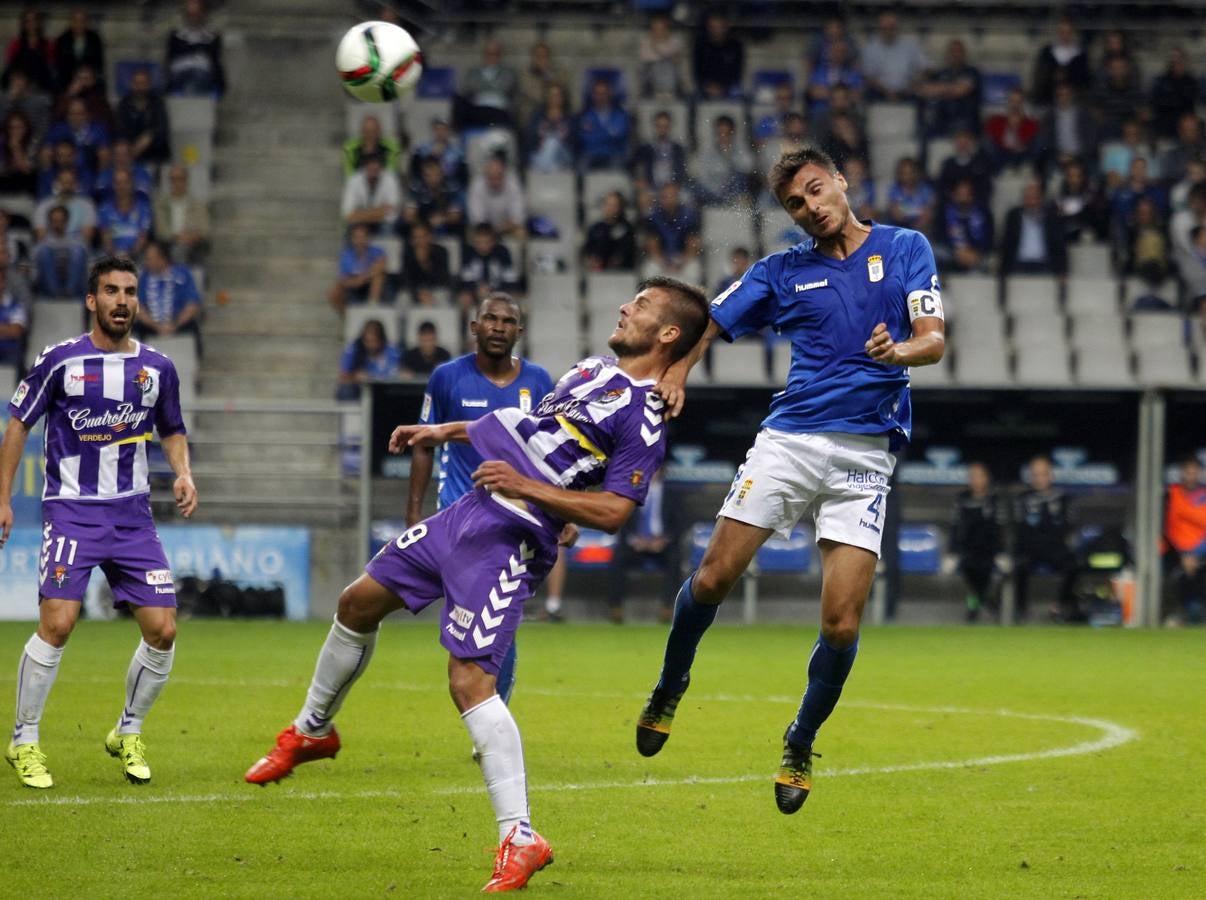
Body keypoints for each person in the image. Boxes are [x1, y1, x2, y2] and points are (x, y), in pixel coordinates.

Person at [243, 276, 708, 894]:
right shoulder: (592, 370)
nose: (625, 307)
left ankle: (520, 836)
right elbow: (524, 424)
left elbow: (617, 511)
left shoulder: (644, 417)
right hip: (469, 512)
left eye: (642, 306)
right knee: (357, 602)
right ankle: (312, 730)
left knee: (470, 681)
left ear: (668, 334)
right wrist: (443, 433)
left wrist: (534, 491)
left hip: (511, 537)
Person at [633, 146, 945, 816]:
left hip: (866, 459)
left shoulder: (906, 246)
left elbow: (934, 338)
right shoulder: (781, 272)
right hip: (791, 444)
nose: (810, 208)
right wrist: (679, 370)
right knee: (713, 577)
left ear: (841, 180)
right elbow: (711, 319)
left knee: (840, 622)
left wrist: (902, 349)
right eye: (796, 205)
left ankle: (800, 739)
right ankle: (669, 683)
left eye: (815, 191)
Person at [0, 255, 197, 790]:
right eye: (111, 291)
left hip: (133, 516)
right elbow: (18, 422)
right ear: (92, 301)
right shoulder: (61, 361)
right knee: (58, 623)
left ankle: (127, 731)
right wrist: (4, 498)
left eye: (130, 292)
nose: (122, 301)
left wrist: (182, 473)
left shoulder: (158, 368)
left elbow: (172, 428)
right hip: (72, 512)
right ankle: (24, 741)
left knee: (163, 630)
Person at [406, 293, 555, 702]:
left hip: (516, 520)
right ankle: (489, 711)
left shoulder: (540, 382)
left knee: (495, 618)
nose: (498, 327)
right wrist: (414, 514)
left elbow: (552, 451)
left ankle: (491, 712)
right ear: (475, 326)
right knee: (475, 620)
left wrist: (566, 514)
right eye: (490, 319)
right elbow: (423, 444)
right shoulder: (446, 377)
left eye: (508, 321)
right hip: (457, 515)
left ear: (519, 332)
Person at [607, 468, 682, 624]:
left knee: (675, 558)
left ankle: (667, 607)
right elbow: (622, 521)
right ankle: (616, 607)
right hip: (637, 545)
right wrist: (634, 539)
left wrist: (663, 540)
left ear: (661, 471)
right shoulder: (632, 492)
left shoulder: (673, 494)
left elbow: (680, 524)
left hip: (661, 546)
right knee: (618, 557)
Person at [1013, 455, 1076, 622]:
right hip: (1030, 550)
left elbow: (1069, 526)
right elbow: (1019, 530)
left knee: (1073, 565)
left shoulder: (1063, 498)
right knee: (1018, 566)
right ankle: (1020, 610)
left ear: (1050, 475)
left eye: (1043, 474)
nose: (1039, 478)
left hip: (1055, 549)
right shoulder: (1023, 499)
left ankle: (1059, 606)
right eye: (1035, 474)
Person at [950, 461, 1007, 623]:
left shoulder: (995, 500)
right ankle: (985, 600)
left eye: (979, 476)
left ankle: (976, 602)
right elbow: (955, 527)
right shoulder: (962, 499)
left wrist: (1001, 553)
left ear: (987, 478)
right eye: (972, 476)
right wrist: (952, 552)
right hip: (967, 550)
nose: (976, 480)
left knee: (987, 568)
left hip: (989, 550)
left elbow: (999, 528)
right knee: (968, 567)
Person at [135, 240, 202, 355]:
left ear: (162, 259)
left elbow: (192, 304)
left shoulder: (182, 274)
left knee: (193, 327)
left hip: (178, 322)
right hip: (151, 325)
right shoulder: (144, 277)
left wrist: (175, 325)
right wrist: (156, 326)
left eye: (150, 258)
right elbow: (138, 307)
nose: (147, 262)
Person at [1162, 456, 1206, 625]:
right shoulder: (1172, 494)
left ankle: (1198, 617)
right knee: (1170, 579)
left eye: (1195, 472)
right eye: (1188, 472)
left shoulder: (1204, 495)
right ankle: (1172, 615)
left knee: (1198, 580)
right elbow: (1166, 526)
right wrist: (1182, 553)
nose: (1191, 476)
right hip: (1174, 552)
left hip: (1200, 552)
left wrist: (1195, 554)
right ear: (1182, 473)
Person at [999, 181, 1067, 278]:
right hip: (1019, 263)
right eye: (1028, 197)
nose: (1031, 201)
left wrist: (1062, 270)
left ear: (1041, 198)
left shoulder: (1051, 217)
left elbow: (1059, 245)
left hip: (1044, 264)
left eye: (1035, 197)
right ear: (1024, 198)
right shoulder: (1013, 216)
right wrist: (1002, 270)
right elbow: (1006, 243)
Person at [859, 11, 928, 102]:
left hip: (907, 92)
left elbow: (926, 68)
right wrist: (886, 92)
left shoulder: (910, 45)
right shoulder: (870, 48)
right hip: (879, 92)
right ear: (879, 29)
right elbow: (867, 76)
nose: (888, 31)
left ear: (898, 28)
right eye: (884, 28)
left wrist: (913, 84)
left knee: (921, 96)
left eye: (891, 28)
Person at [166, 0, 225, 97]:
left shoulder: (212, 38)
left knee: (198, 75)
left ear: (203, 14)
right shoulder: (176, 36)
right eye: (189, 15)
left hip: (204, 77)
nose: (193, 18)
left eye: (196, 15)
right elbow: (171, 62)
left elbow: (214, 65)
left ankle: (191, 105)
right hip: (180, 76)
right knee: (193, 75)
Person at [457, 223, 521, 311]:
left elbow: (510, 279)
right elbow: (465, 280)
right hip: (475, 291)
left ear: (493, 241)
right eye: (478, 242)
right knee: (464, 298)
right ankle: (465, 323)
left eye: (487, 242)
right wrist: (476, 289)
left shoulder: (502, 253)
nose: (483, 246)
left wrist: (494, 291)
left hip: (500, 290)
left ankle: (511, 322)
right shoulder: (468, 253)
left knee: (514, 297)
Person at [153, 165, 210, 264]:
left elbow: (205, 229)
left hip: (193, 244)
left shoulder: (198, 204)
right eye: (173, 179)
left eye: (180, 179)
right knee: (175, 249)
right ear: (169, 182)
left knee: (187, 249)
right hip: (169, 243)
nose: (177, 183)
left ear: (186, 181)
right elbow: (161, 230)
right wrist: (177, 238)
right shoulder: (161, 205)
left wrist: (192, 237)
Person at [114, 67, 170, 165]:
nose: (140, 87)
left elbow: (162, 128)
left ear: (149, 85)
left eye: (143, 83)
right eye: (137, 83)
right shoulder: (124, 104)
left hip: (156, 153)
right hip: (131, 152)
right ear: (132, 84)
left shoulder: (157, 103)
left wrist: (149, 136)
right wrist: (132, 148)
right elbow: (120, 130)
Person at [32, 204, 88, 298]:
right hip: (47, 286)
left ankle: (70, 292)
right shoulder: (42, 243)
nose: (57, 224)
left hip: (75, 285)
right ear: (49, 222)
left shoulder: (78, 241)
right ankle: (55, 293)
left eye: (61, 221)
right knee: (44, 252)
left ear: (67, 221)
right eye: (54, 221)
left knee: (78, 252)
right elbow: (34, 268)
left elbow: (85, 267)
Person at [337, 318, 400, 401]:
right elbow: (343, 376)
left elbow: (395, 375)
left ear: (381, 340)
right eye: (367, 341)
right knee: (346, 390)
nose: (370, 345)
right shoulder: (354, 349)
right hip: (358, 389)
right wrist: (355, 377)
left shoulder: (391, 351)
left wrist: (370, 377)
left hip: (383, 389)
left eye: (374, 341)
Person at [467, 152, 526, 240]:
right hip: (484, 229)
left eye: (498, 177)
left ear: (504, 174)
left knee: (521, 233)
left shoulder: (513, 184)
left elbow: (517, 218)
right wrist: (491, 231)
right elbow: (477, 219)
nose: (495, 182)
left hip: (508, 228)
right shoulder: (477, 186)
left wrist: (500, 229)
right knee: (470, 234)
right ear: (485, 175)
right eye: (491, 178)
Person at [329, 223, 386, 313]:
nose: (360, 241)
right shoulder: (347, 254)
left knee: (379, 277)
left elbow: (382, 265)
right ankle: (347, 315)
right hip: (353, 287)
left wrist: (364, 277)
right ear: (352, 239)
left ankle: (372, 307)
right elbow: (343, 278)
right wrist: (355, 282)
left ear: (368, 238)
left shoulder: (376, 251)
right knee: (334, 291)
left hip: (369, 285)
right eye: (357, 237)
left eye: (363, 237)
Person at [341, 150, 401, 235]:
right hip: (360, 224)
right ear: (364, 166)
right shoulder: (354, 180)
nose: (374, 168)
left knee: (389, 227)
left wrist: (360, 213)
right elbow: (347, 214)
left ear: (381, 167)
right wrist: (379, 211)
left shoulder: (390, 178)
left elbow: (392, 212)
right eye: (370, 164)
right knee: (351, 229)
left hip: (382, 223)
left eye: (377, 165)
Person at [576, 79, 630, 172]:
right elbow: (586, 139)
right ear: (593, 95)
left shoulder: (620, 115)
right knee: (580, 169)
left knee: (617, 171)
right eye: (597, 93)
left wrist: (596, 131)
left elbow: (619, 136)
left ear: (610, 94)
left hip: (613, 153)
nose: (600, 97)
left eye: (603, 93)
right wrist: (608, 132)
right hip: (591, 153)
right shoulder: (586, 115)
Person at [97, 169, 152, 258]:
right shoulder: (104, 209)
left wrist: (130, 255)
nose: (121, 186)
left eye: (125, 182)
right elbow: (106, 238)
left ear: (132, 184)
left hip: (137, 255)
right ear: (113, 185)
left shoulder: (143, 208)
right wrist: (116, 255)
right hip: (112, 256)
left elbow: (142, 237)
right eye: (118, 183)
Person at [984, 87, 1038, 172]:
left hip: (1021, 158)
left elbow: (1028, 146)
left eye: (1018, 102)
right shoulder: (995, 121)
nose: (1015, 105)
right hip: (1001, 157)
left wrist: (1017, 126)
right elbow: (991, 144)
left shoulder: (1031, 124)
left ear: (1023, 104)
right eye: (1012, 101)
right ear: (1007, 102)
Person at [692, 11, 744, 99]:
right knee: (694, 97)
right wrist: (707, 86)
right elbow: (697, 70)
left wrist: (723, 87)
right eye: (713, 27)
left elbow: (737, 71)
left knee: (738, 93)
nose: (716, 30)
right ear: (708, 28)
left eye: (719, 27)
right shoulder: (700, 44)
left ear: (726, 27)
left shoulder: (735, 44)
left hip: (728, 86)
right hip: (705, 87)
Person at [400, 220, 452, 306]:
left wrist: (425, 263)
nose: (419, 240)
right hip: (414, 291)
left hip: (436, 289)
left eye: (422, 236)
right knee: (403, 298)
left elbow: (443, 279)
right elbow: (405, 280)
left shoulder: (441, 252)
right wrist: (417, 294)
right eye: (416, 237)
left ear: (429, 237)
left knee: (443, 298)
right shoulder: (407, 253)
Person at [582, 190, 636, 271]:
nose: (609, 208)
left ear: (620, 208)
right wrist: (592, 261)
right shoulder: (595, 228)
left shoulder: (627, 228)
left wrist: (609, 264)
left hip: (620, 273)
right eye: (607, 204)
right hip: (596, 272)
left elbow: (625, 253)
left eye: (614, 205)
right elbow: (588, 250)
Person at [54, 8, 105, 93]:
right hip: (69, 82)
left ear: (86, 23)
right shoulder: (62, 40)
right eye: (75, 21)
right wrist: (75, 80)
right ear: (71, 22)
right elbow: (60, 65)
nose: (78, 24)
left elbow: (99, 64)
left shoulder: (95, 39)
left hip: (89, 80)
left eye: (82, 21)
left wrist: (87, 78)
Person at [639, 14, 686, 99]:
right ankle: (659, 93)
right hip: (652, 80)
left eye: (661, 29)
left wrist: (655, 48)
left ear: (667, 29)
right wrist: (666, 55)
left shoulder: (676, 41)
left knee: (668, 66)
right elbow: (646, 59)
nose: (658, 32)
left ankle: (668, 93)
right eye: (655, 29)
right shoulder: (645, 42)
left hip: (672, 79)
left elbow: (676, 60)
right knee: (654, 66)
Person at [0, 263, 27, 368]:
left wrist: (10, 330)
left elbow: (16, 331)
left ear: (3, 283)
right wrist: (6, 329)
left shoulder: (15, 306)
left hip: (9, 356)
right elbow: (10, 330)